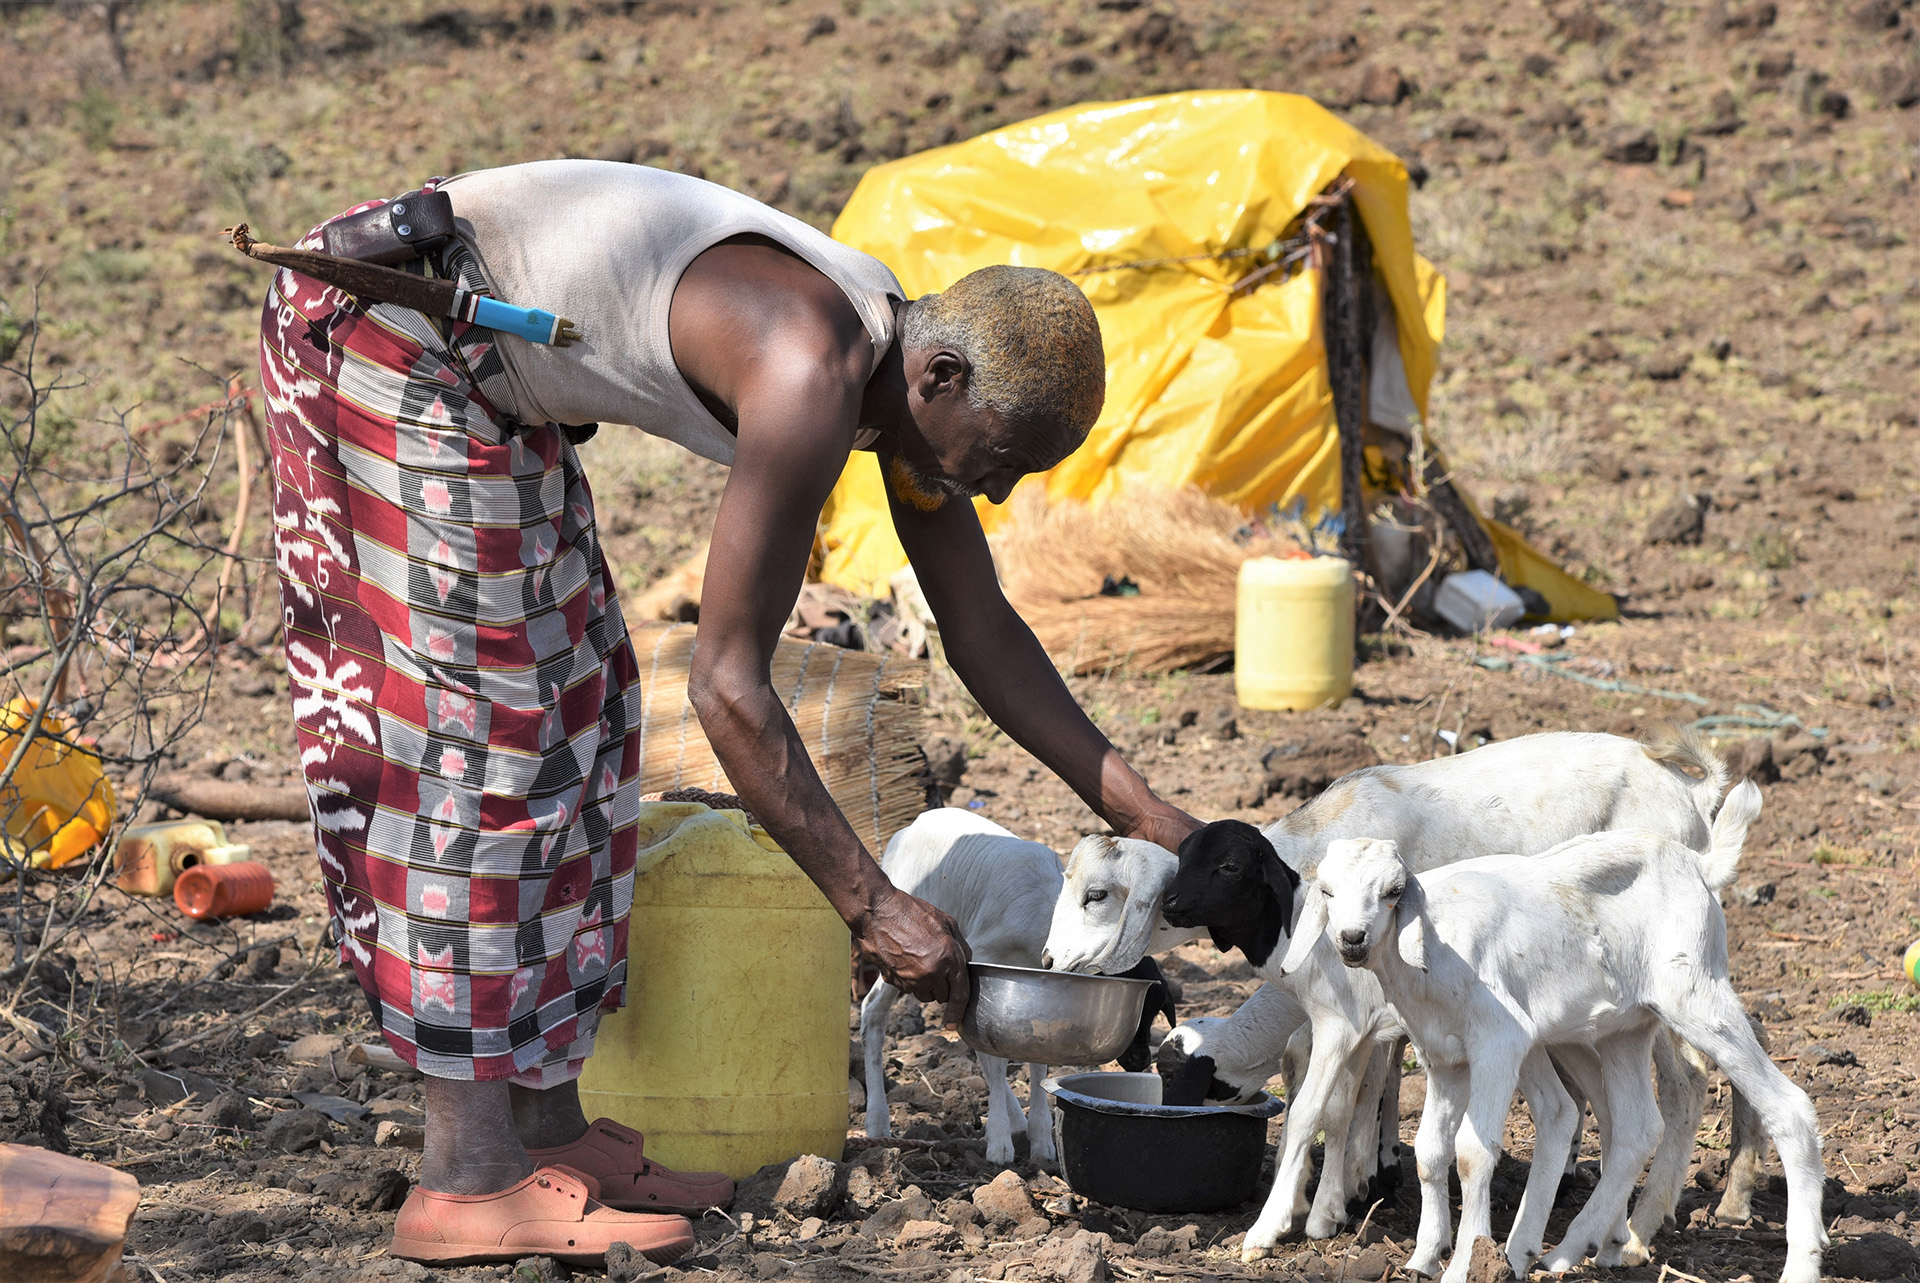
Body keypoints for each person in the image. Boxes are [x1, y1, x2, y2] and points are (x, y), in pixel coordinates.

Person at [258, 160, 1200, 1267]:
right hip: (394, 329)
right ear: (941, 377)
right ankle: (466, 1174)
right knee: (487, 737)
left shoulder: (904, 383)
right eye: (999, 460)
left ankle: (550, 1133)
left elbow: (982, 629)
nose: (991, 493)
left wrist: (1159, 821)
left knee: (589, 709)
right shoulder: (812, 374)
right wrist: (872, 902)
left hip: (488, 369)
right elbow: (730, 688)